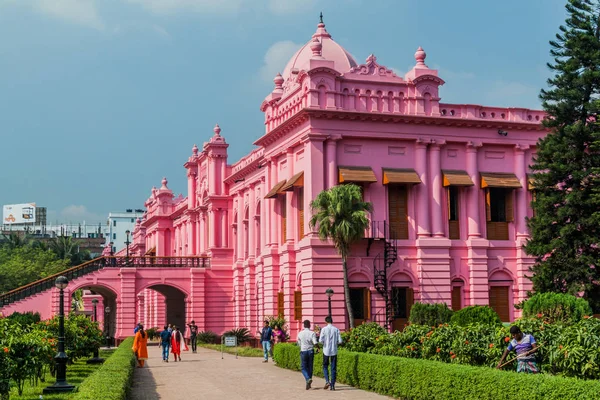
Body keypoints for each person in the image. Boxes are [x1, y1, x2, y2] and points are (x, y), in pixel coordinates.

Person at [319, 316, 342, 391]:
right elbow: (340, 341)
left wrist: (324, 343)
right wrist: (335, 343)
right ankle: (332, 385)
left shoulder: (324, 329)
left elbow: (320, 340)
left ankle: (327, 381)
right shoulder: (336, 329)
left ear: (326, 322)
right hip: (334, 350)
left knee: (325, 366)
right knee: (333, 368)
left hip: (326, 350)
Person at [297, 319, 318, 390]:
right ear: (309, 325)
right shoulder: (312, 333)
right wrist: (318, 348)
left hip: (303, 350)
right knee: (310, 367)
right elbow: (315, 342)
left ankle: (307, 379)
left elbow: (299, 343)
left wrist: (301, 347)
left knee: (303, 367)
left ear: (304, 325)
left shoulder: (300, 333)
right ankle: (308, 381)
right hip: (310, 351)